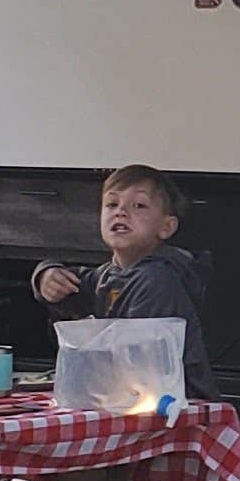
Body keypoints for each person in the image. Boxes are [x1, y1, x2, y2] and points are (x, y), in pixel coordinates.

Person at [29, 164, 216, 402]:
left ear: (166, 227)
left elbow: (138, 360)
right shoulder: (108, 274)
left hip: (174, 407)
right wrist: (46, 276)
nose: (121, 212)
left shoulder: (158, 279)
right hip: (129, 400)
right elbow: (73, 286)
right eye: (111, 204)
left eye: (138, 205)